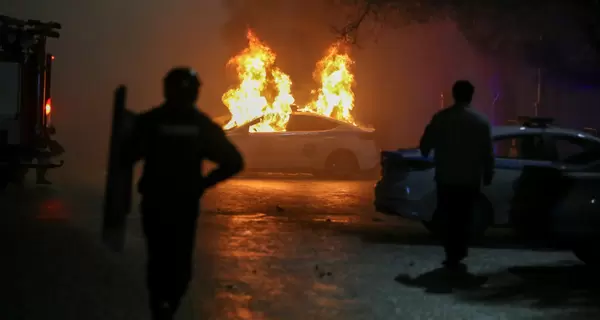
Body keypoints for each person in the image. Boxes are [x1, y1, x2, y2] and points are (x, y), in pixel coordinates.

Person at [126, 67, 244, 319]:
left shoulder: (151, 122)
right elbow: (234, 161)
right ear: (195, 93)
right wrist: (202, 184)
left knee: (157, 259)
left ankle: (159, 308)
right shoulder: (200, 125)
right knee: (179, 261)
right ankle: (169, 305)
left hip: (155, 203)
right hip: (183, 205)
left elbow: (126, 156)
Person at [419, 80, 494, 270]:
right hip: (469, 179)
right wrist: (488, 172)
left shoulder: (441, 118)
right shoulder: (480, 121)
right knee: (464, 215)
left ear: (453, 94)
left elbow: (425, 144)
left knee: (448, 215)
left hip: (446, 178)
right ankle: (459, 250)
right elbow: (487, 151)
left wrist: (429, 151)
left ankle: (451, 251)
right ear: (470, 96)